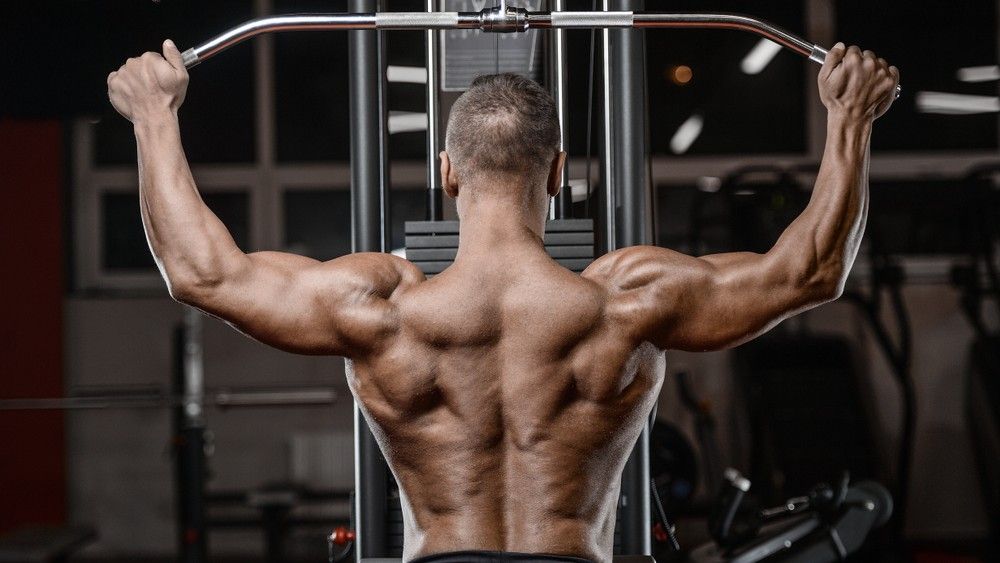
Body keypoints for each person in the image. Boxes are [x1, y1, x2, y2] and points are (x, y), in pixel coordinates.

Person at [107, 39, 898, 563]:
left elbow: (202, 273)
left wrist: (153, 118)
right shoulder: (625, 303)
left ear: (448, 171)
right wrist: (848, 123)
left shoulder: (383, 311)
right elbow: (808, 272)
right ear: (558, 173)